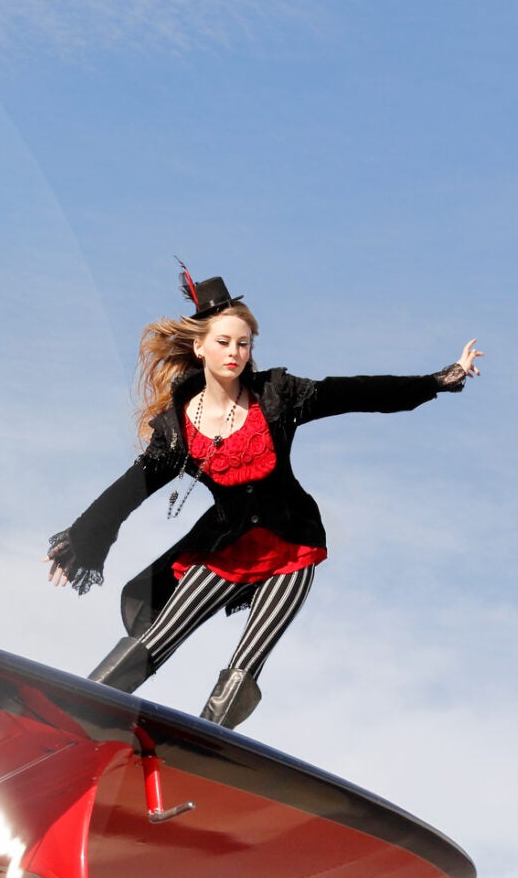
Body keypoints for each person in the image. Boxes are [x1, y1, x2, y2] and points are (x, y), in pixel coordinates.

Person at [44, 268, 481, 729]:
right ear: (200, 347)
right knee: (162, 636)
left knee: (245, 663)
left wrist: (440, 378)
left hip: (293, 550)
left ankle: (207, 745)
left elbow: (355, 392)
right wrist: (79, 540)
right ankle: (77, 713)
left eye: (244, 343)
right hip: (225, 550)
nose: (235, 353)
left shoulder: (277, 396)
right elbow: (127, 493)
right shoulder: (177, 431)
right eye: (224, 342)